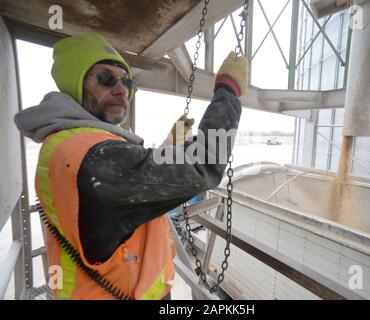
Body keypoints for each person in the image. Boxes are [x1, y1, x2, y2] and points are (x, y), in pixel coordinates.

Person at [14, 33, 247, 300]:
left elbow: (138, 177)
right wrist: (228, 92)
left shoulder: (71, 142)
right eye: (105, 78)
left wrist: (173, 142)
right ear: (74, 83)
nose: (121, 89)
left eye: (127, 81)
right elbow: (203, 166)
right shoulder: (91, 155)